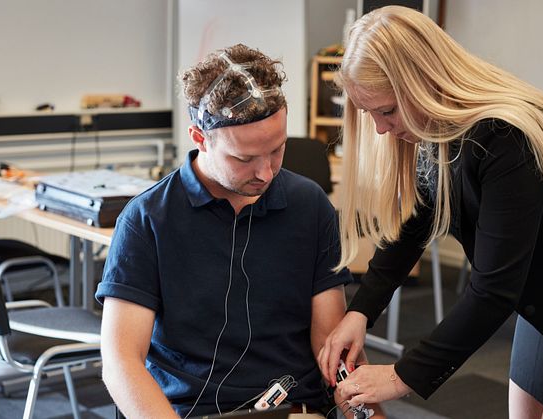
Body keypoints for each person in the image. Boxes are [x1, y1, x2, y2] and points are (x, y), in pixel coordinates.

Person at [318, 6, 543, 418]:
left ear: (423, 84)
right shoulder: (436, 128)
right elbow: (415, 223)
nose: (381, 129)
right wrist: (361, 311)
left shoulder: (505, 135)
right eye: (370, 114)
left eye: (386, 111)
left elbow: (493, 290)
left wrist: (401, 377)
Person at [96, 44, 379, 419]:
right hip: (185, 412)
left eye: (278, 151)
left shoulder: (309, 206)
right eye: (244, 159)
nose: (266, 173)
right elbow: (121, 362)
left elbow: (331, 345)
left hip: (294, 409)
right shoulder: (148, 218)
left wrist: (371, 415)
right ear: (199, 137)